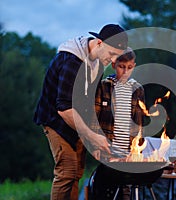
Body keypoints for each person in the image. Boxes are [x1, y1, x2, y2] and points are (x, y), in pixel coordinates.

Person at [33, 24, 128, 200]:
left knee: (77, 173)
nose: (114, 61)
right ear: (99, 43)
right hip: (55, 119)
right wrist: (92, 136)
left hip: (77, 120)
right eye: (112, 54)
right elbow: (64, 109)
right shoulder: (71, 62)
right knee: (67, 172)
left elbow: (89, 103)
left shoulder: (98, 64)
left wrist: (97, 139)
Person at [90, 47, 145, 199]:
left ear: (134, 66)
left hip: (127, 149)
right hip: (107, 146)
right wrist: (95, 145)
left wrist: (138, 149)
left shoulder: (137, 89)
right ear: (114, 65)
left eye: (129, 68)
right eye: (121, 67)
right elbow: (95, 117)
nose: (125, 71)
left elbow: (138, 122)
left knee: (126, 188)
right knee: (107, 187)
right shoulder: (103, 86)